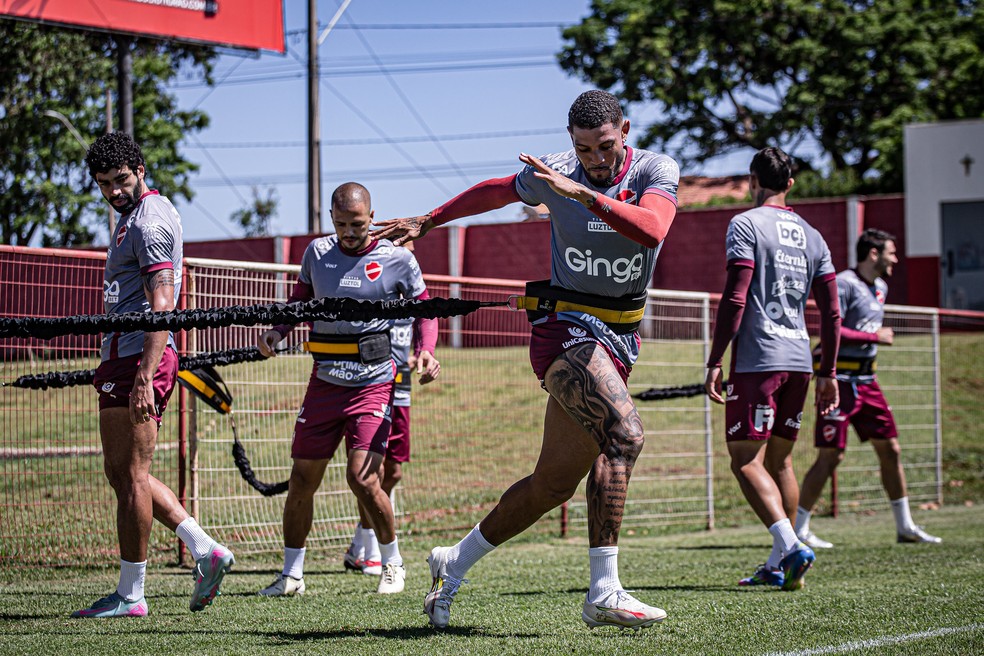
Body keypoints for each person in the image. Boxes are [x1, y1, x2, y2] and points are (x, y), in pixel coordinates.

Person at [374, 90, 679, 630]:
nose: (595, 160)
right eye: (583, 150)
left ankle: (453, 561)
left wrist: (581, 193)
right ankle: (604, 591)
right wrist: (430, 219)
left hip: (621, 337)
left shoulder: (656, 170)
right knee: (625, 435)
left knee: (553, 484)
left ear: (625, 131)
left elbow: (653, 228)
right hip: (565, 328)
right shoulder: (556, 171)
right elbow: (493, 192)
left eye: (605, 146)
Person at [74, 132, 234, 618]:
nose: (113, 191)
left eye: (120, 180)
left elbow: (162, 304)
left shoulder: (148, 222)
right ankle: (206, 551)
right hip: (122, 355)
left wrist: (145, 374)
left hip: (139, 357)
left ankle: (131, 594)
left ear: (140, 169)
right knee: (124, 473)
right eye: (104, 184)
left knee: (132, 476)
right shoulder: (131, 217)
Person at [256, 182, 434, 597]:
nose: (349, 232)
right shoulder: (316, 253)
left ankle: (392, 564)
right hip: (324, 384)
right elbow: (301, 301)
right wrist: (276, 332)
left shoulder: (397, 259)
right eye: (340, 224)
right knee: (302, 479)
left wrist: (426, 351)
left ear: (372, 217)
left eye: (356, 223)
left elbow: (427, 310)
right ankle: (292, 576)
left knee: (363, 478)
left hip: (373, 383)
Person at [704, 146, 841, 591]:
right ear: (791, 184)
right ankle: (780, 564)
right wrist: (829, 373)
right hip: (801, 360)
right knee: (779, 461)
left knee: (745, 461)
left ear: (752, 180)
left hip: (759, 360)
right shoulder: (814, 236)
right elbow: (833, 313)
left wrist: (714, 358)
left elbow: (737, 297)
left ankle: (791, 546)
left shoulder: (745, 223)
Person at [795, 229, 942, 547]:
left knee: (891, 450)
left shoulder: (881, 288)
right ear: (873, 254)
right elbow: (833, 330)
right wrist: (875, 338)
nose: (896, 259)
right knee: (830, 457)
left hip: (869, 382)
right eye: (891, 252)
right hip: (840, 384)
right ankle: (799, 530)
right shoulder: (845, 283)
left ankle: (905, 526)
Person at [344, 242, 441, 575]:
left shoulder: (412, 288)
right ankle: (370, 550)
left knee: (394, 471)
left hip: (402, 381)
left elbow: (423, 324)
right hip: (372, 380)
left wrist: (422, 353)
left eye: (410, 249)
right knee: (372, 469)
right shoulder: (373, 284)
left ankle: (360, 542)